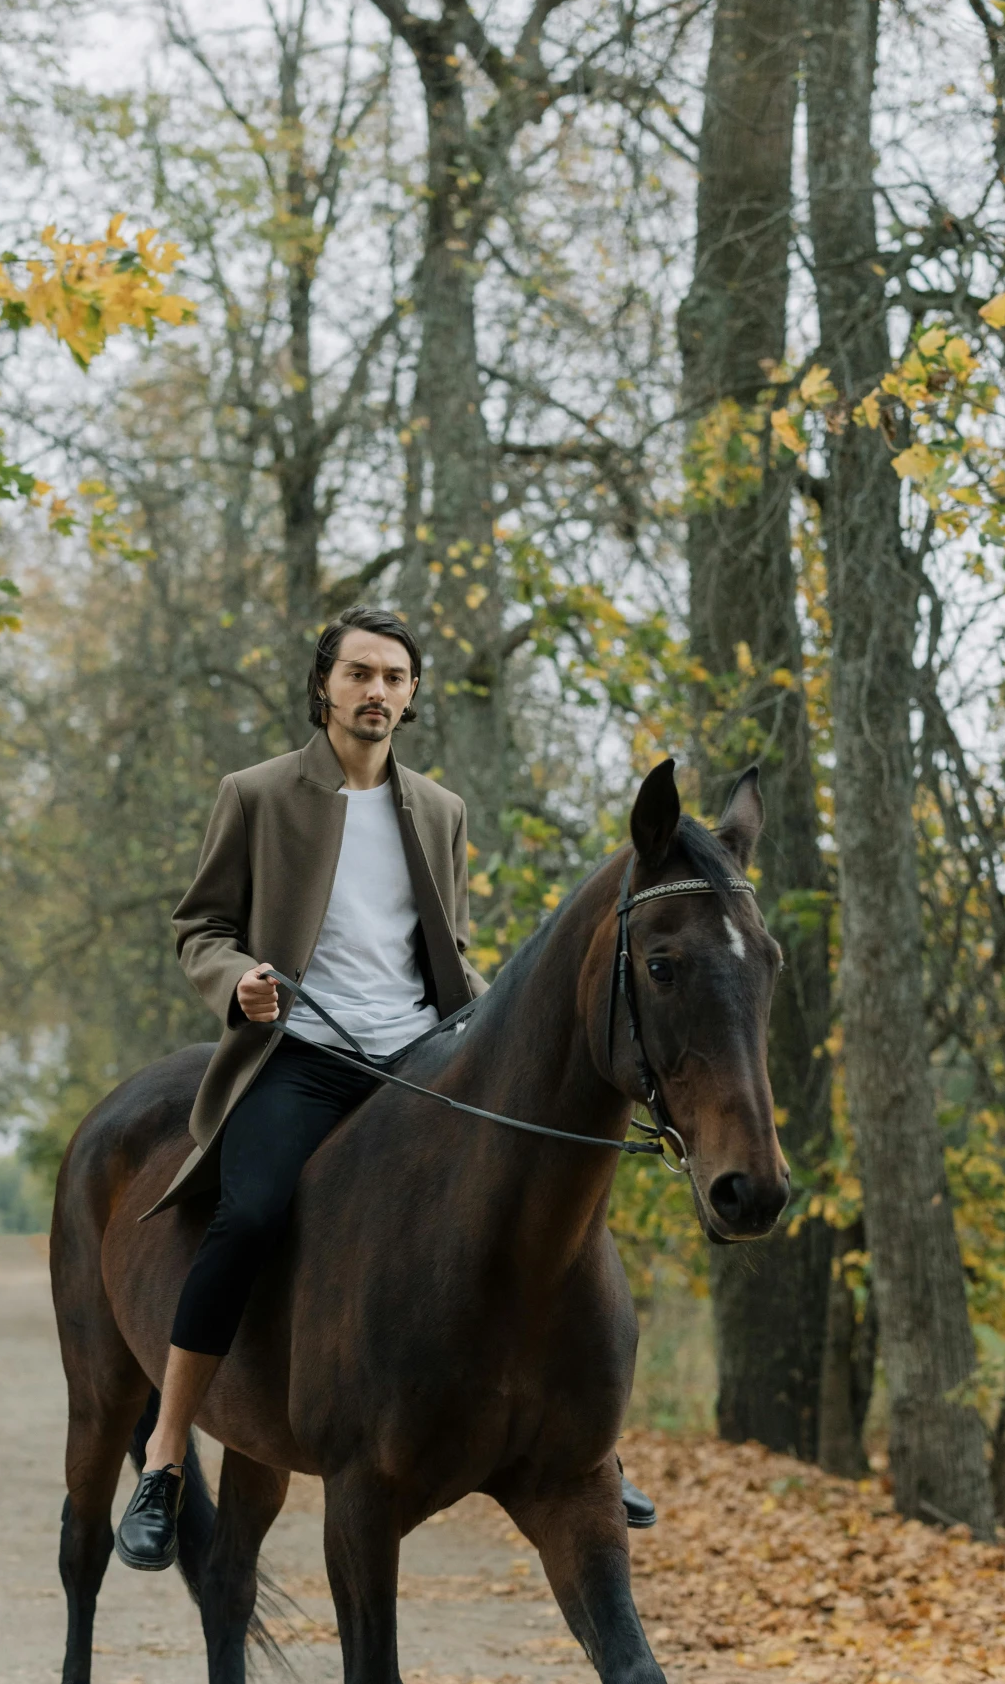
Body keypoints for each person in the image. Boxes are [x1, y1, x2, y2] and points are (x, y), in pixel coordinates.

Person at [115, 605, 656, 1569]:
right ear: (324, 684)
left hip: (418, 1056)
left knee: (544, 1207)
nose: (376, 693)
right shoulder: (257, 795)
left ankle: (588, 1446)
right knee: (249, 1218)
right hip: (301, 1058)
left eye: (394, 679)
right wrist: (233, 981)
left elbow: (441, 951)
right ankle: (162, 1456)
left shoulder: (439, 810)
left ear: (411, 698)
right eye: (359, 674)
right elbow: (199, 928)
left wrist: (500, 1021)